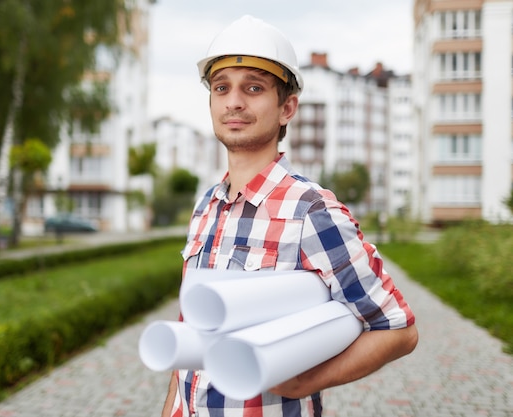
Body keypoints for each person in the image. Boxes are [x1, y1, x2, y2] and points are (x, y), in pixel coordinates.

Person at [161, 15, 418, 417]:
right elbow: (191, 338)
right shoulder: (206, 206)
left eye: (254, 88)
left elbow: (398, 330)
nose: (234, 101)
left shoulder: (312, 210)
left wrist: (307, 382)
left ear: (287, 108)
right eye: (221, 87)